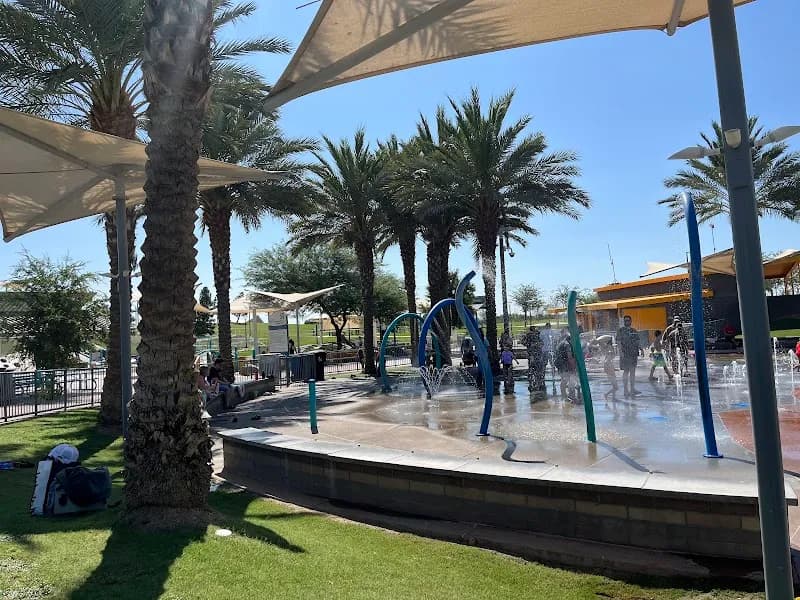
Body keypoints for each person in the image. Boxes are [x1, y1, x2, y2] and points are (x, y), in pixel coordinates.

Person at [617, 315, 640, 398]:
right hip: (625, 354)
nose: (627, 322)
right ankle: (625, 390)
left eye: (628, 320)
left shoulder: (634, 331)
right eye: (625, 320)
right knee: (626, 371)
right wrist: (620, 353)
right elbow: (619, 342)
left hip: (633, 354)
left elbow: (637, 341)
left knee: (633, 372)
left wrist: (641, 349)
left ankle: (632, 389)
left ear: (631, 321)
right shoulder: (621, 331)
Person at [554, 331, 578, 402]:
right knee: (568, 379)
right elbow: (569, 357)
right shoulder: (567, 345)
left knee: (564, 380)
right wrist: (573, 367)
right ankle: (570, 396)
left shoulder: (562, 342)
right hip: (565, 364)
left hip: (560, 364)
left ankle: (564, 396)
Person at [524, 326, 546, 396]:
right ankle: (532, 382)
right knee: (532, 368)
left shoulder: (538, 338)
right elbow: (523, 342)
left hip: (538, 354)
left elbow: (542, 344)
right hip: (532, 355)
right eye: (535, 331)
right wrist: (531, 345)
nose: (535, 334)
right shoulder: (528, 336)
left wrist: (539, 345)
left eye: (536, 333)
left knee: (539, 368)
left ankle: (538, 382)